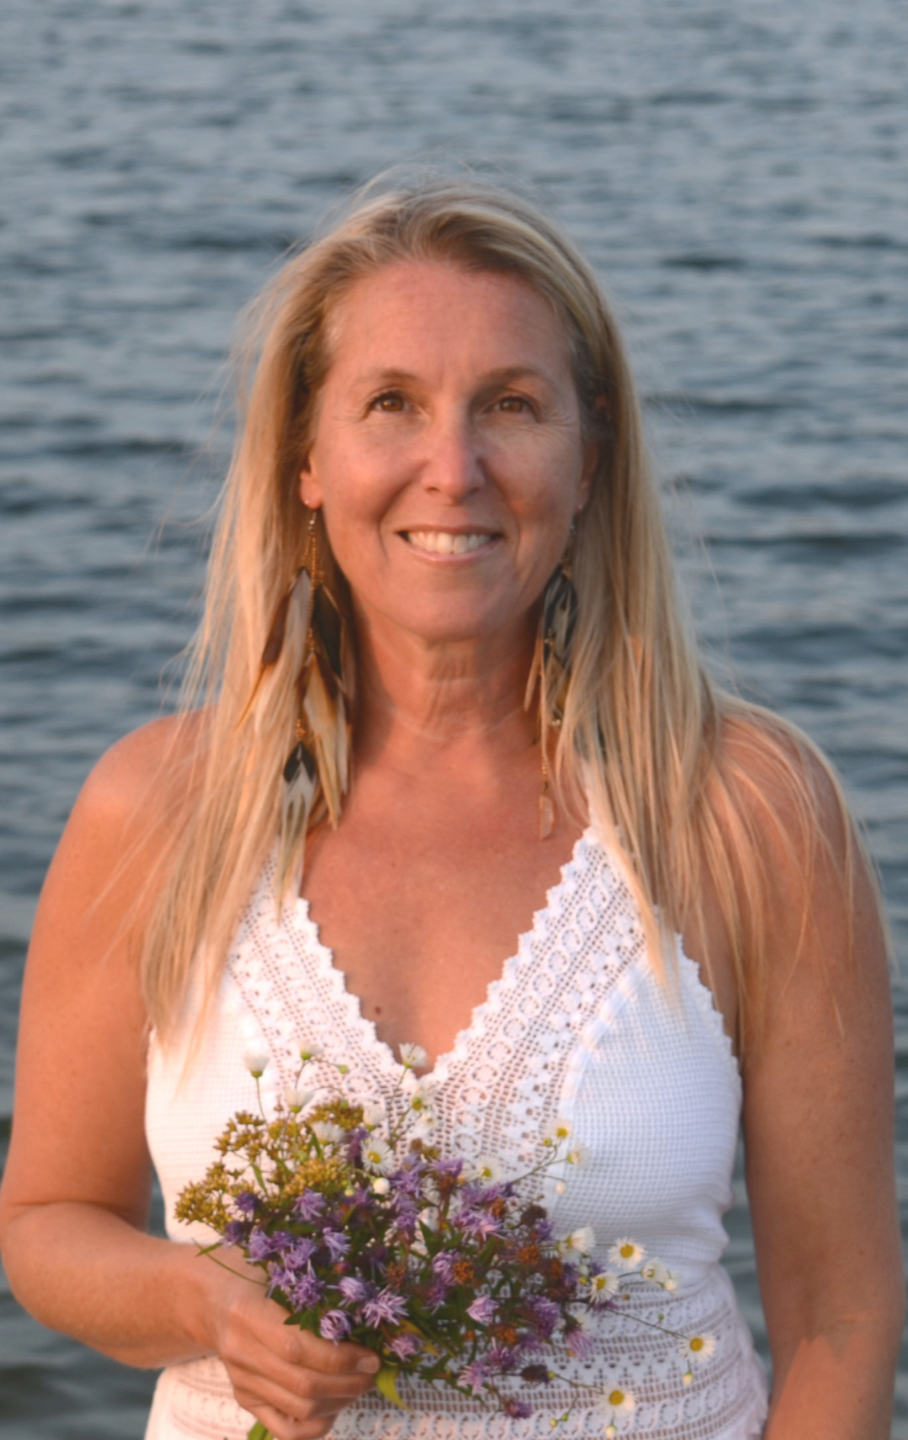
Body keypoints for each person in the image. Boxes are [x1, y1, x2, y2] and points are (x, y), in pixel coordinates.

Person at [0, 179, 902, 1440]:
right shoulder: (156, 810)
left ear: (589, 461)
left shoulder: (743, 813)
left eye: (511, 407)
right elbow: (48, 1223)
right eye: (391, 405)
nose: (453, 469)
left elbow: (838, 1320)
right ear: (305, 462)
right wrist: (205, 1303)